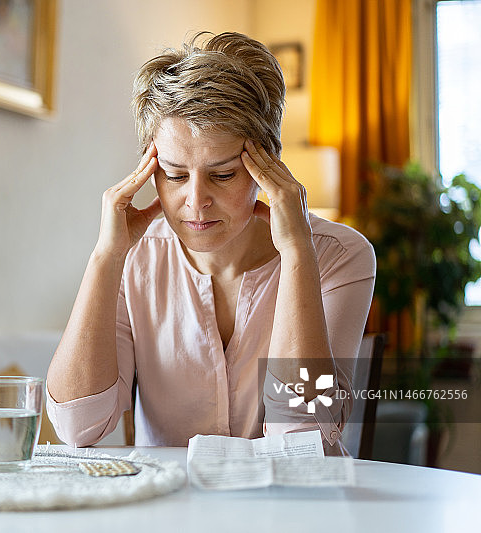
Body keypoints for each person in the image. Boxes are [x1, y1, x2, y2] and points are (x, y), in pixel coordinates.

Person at [46, 32, 376, 455]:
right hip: (167, 514)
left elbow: (303, 437)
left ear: (267, 167)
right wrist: (105, 258)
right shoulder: (134, 255)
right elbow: (78, 427)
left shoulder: (339, 254)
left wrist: (297, 255)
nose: (196, 201)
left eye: (222, 175)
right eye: (175, 175)